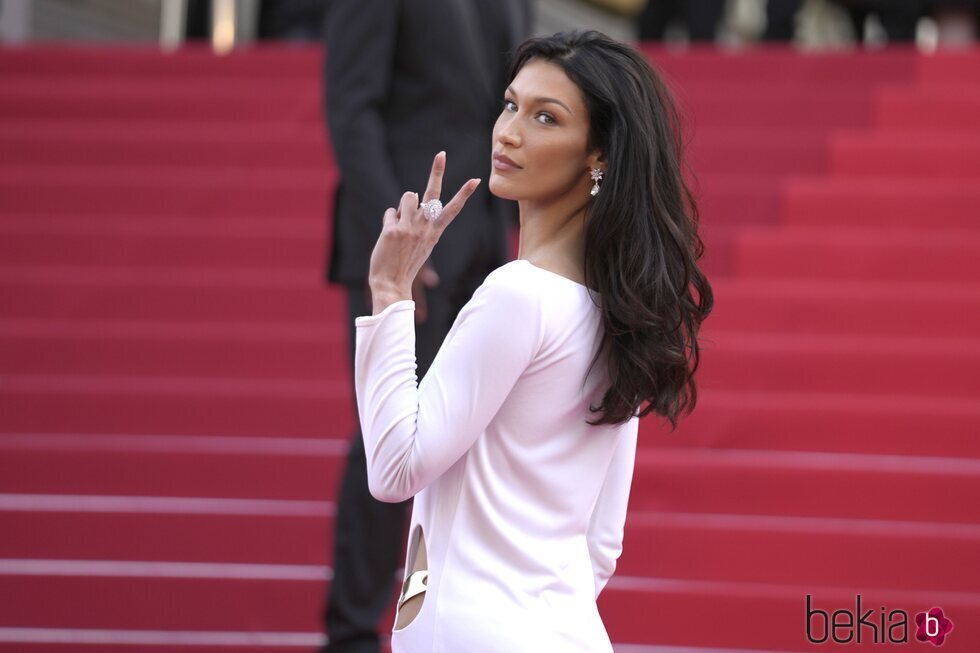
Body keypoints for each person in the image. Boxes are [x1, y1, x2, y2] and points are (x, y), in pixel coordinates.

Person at [353, 30, 714, 652]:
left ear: (597, 154)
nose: (509, 131)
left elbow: (394, 469)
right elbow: (602, 544)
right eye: (510, 104)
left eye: (545, 117)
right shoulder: (619, 313)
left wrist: (390, 292)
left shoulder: (515, 294)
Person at [319, 2, 532, 653]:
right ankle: (353, 633)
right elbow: (352, 104)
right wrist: (403, 239)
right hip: (403, 244)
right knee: (388, 443)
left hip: (487, 246)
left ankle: (432, 624)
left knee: (465, 455)